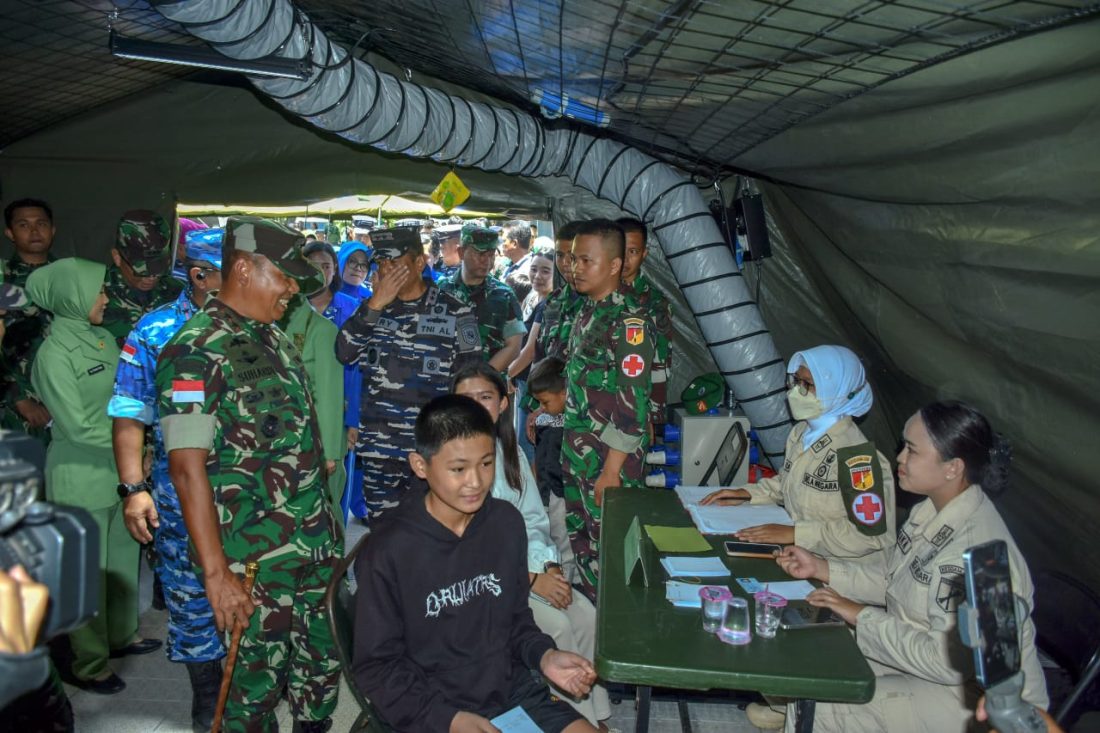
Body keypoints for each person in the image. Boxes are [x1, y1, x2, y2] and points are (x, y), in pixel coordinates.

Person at [156, 216, 341, 732]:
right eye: (282, 276)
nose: (291, 288)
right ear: (242, 268)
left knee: (318, 676)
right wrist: (217, 576)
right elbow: (186, 468)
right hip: (253, 561)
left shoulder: (273, 338)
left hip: (311, 548)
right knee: (251, 692)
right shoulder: (195, 349)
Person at [773, 401, 1048, 733]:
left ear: (952, 468)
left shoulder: (973, 553)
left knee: (824, 702)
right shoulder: (931, 510)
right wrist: (823, 568)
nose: (899, 457)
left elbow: (945, 661)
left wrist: (859, 614)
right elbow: (898, 577)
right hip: (919, 660)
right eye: (903, 446)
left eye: (912, 451)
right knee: (807, 658)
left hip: (974, 701)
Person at [352, 394, 599, 733]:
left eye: (486, 463)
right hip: (430, 707)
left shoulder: (506, 524)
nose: (476, 481)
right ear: (420, 465)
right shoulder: (388, 550)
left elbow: (516, 620)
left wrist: (544, 656)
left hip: (509, 691)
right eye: (458, 469)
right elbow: (377, 668)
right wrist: (449, 720)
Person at [108, 228, 225, 727]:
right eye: (233, 269)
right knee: (190, 597)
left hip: (251, 500)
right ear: (199, 275)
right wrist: (134, 490)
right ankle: (207, 696)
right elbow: (130, 415)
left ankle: (245, 689)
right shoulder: (154, 331)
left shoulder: (259, 327)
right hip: (179, 498)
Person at [452, 363, 611, 728]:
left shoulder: (510, 453)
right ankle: (571, 719)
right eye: (466, 399)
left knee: (586, 616)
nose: (476, 406)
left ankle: (597, 716)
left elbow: (533, 519)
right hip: (486, 585)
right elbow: (466, 546)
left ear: (504, 403)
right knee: (557, 625)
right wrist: (529, 577)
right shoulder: (451, 463)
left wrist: (548, 566)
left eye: (486, 397)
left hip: (528, 567)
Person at [27, 258, 160, 694]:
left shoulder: (104, 339)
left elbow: (130, 396)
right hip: (79, 475)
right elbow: (77, 425)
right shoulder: (52, 355)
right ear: (72, 296)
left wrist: (137, 450)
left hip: (118, 473)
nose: (105, 298)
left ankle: (121, 637)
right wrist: (134, 445)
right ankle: (88, 663)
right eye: (97, 291)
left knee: (122, 560)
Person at [336, 226, 482, 525]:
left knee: (434, 537)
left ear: (419, 262)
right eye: (382, 263)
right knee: (385, 541)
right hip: (381, 452)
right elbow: (343, 353)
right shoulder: (371, 309)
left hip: (433, 451)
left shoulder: (456, 312)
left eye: (395, 262)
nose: (387, 270)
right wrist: (376, 303)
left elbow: (471, 380)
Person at [701, 344, 896, 558]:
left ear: (839, 391)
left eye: (808, 384)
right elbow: (791, 481)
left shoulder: (858, 460)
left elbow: (870, 535)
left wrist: (796, 534)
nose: (796, 391)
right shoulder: (801, 433)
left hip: (844, 570)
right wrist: (747, 494)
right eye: (796, 381)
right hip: (803, 557)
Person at [563, 219, 655, 601]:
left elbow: (633, 406)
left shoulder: (630, 322)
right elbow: (582, 389)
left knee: (613, 553)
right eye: (572, 259)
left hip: (608, 463)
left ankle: (617, 636)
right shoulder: (588, 310)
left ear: (615, 266)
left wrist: (611, 471)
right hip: (581, 456)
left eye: (586, 260)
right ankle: (592, 626)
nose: (575, 267)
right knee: (585, 549)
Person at [278, 286, 348, 527]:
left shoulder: (322, 330)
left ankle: (335, 563)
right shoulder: (265, 326)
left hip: (316, 443)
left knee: (323, 516)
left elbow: (330, 395)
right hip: (281, 444)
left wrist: (328, 453)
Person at [1, 198, 56, 437]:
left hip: (66, 406)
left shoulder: (72, 279)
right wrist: (19, 399)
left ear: (53, 230)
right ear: (9, 233)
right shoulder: (3, 279)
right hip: (13, 412)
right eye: (24, 225)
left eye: (41, 224)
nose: (34, 231)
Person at [615, 217, 672, 441]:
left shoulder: (654, 303)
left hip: (634, 410)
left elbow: (661, 362)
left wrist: (651, 415)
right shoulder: (595, 294)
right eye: (622, 250)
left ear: (644, 254)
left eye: (634, 251)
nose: (627, 259)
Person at [440, 224, 526, 371]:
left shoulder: (503, 295)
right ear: (461, 252)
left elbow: (514, 345)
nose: (487, 261)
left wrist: (482, 377)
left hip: (486, 387)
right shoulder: (440, 290)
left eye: (491, 254)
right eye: (480, 254)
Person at [101, 210, 184, 349]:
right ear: (117, 257)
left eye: (158, 267)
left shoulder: (178, 292)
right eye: (142, 270)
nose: (151, 277)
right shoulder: (95, 294)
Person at [527, 357, 574, 578]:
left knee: (565, 542)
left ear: (564, 393)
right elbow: (540, 455)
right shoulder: (544, 420)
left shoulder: (576, 423)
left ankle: (570, 583)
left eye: (545, 402)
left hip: (563, 493)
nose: (541, 408)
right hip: (544, 491)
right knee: (548, 537)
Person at [508, 250, 556, 463]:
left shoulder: (547, 305)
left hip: (532, 386)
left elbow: (529, 352)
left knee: (526, 448)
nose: (537, 275)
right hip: (526, 382)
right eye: (534, 269)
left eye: (545, 271)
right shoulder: (535, 299)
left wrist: (505, 376)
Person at [335, 237, 373, 302]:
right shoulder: (324, 295)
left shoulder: (371, 299)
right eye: (352, 262)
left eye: (364, 265)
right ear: (340, 262)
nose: (358, 268)